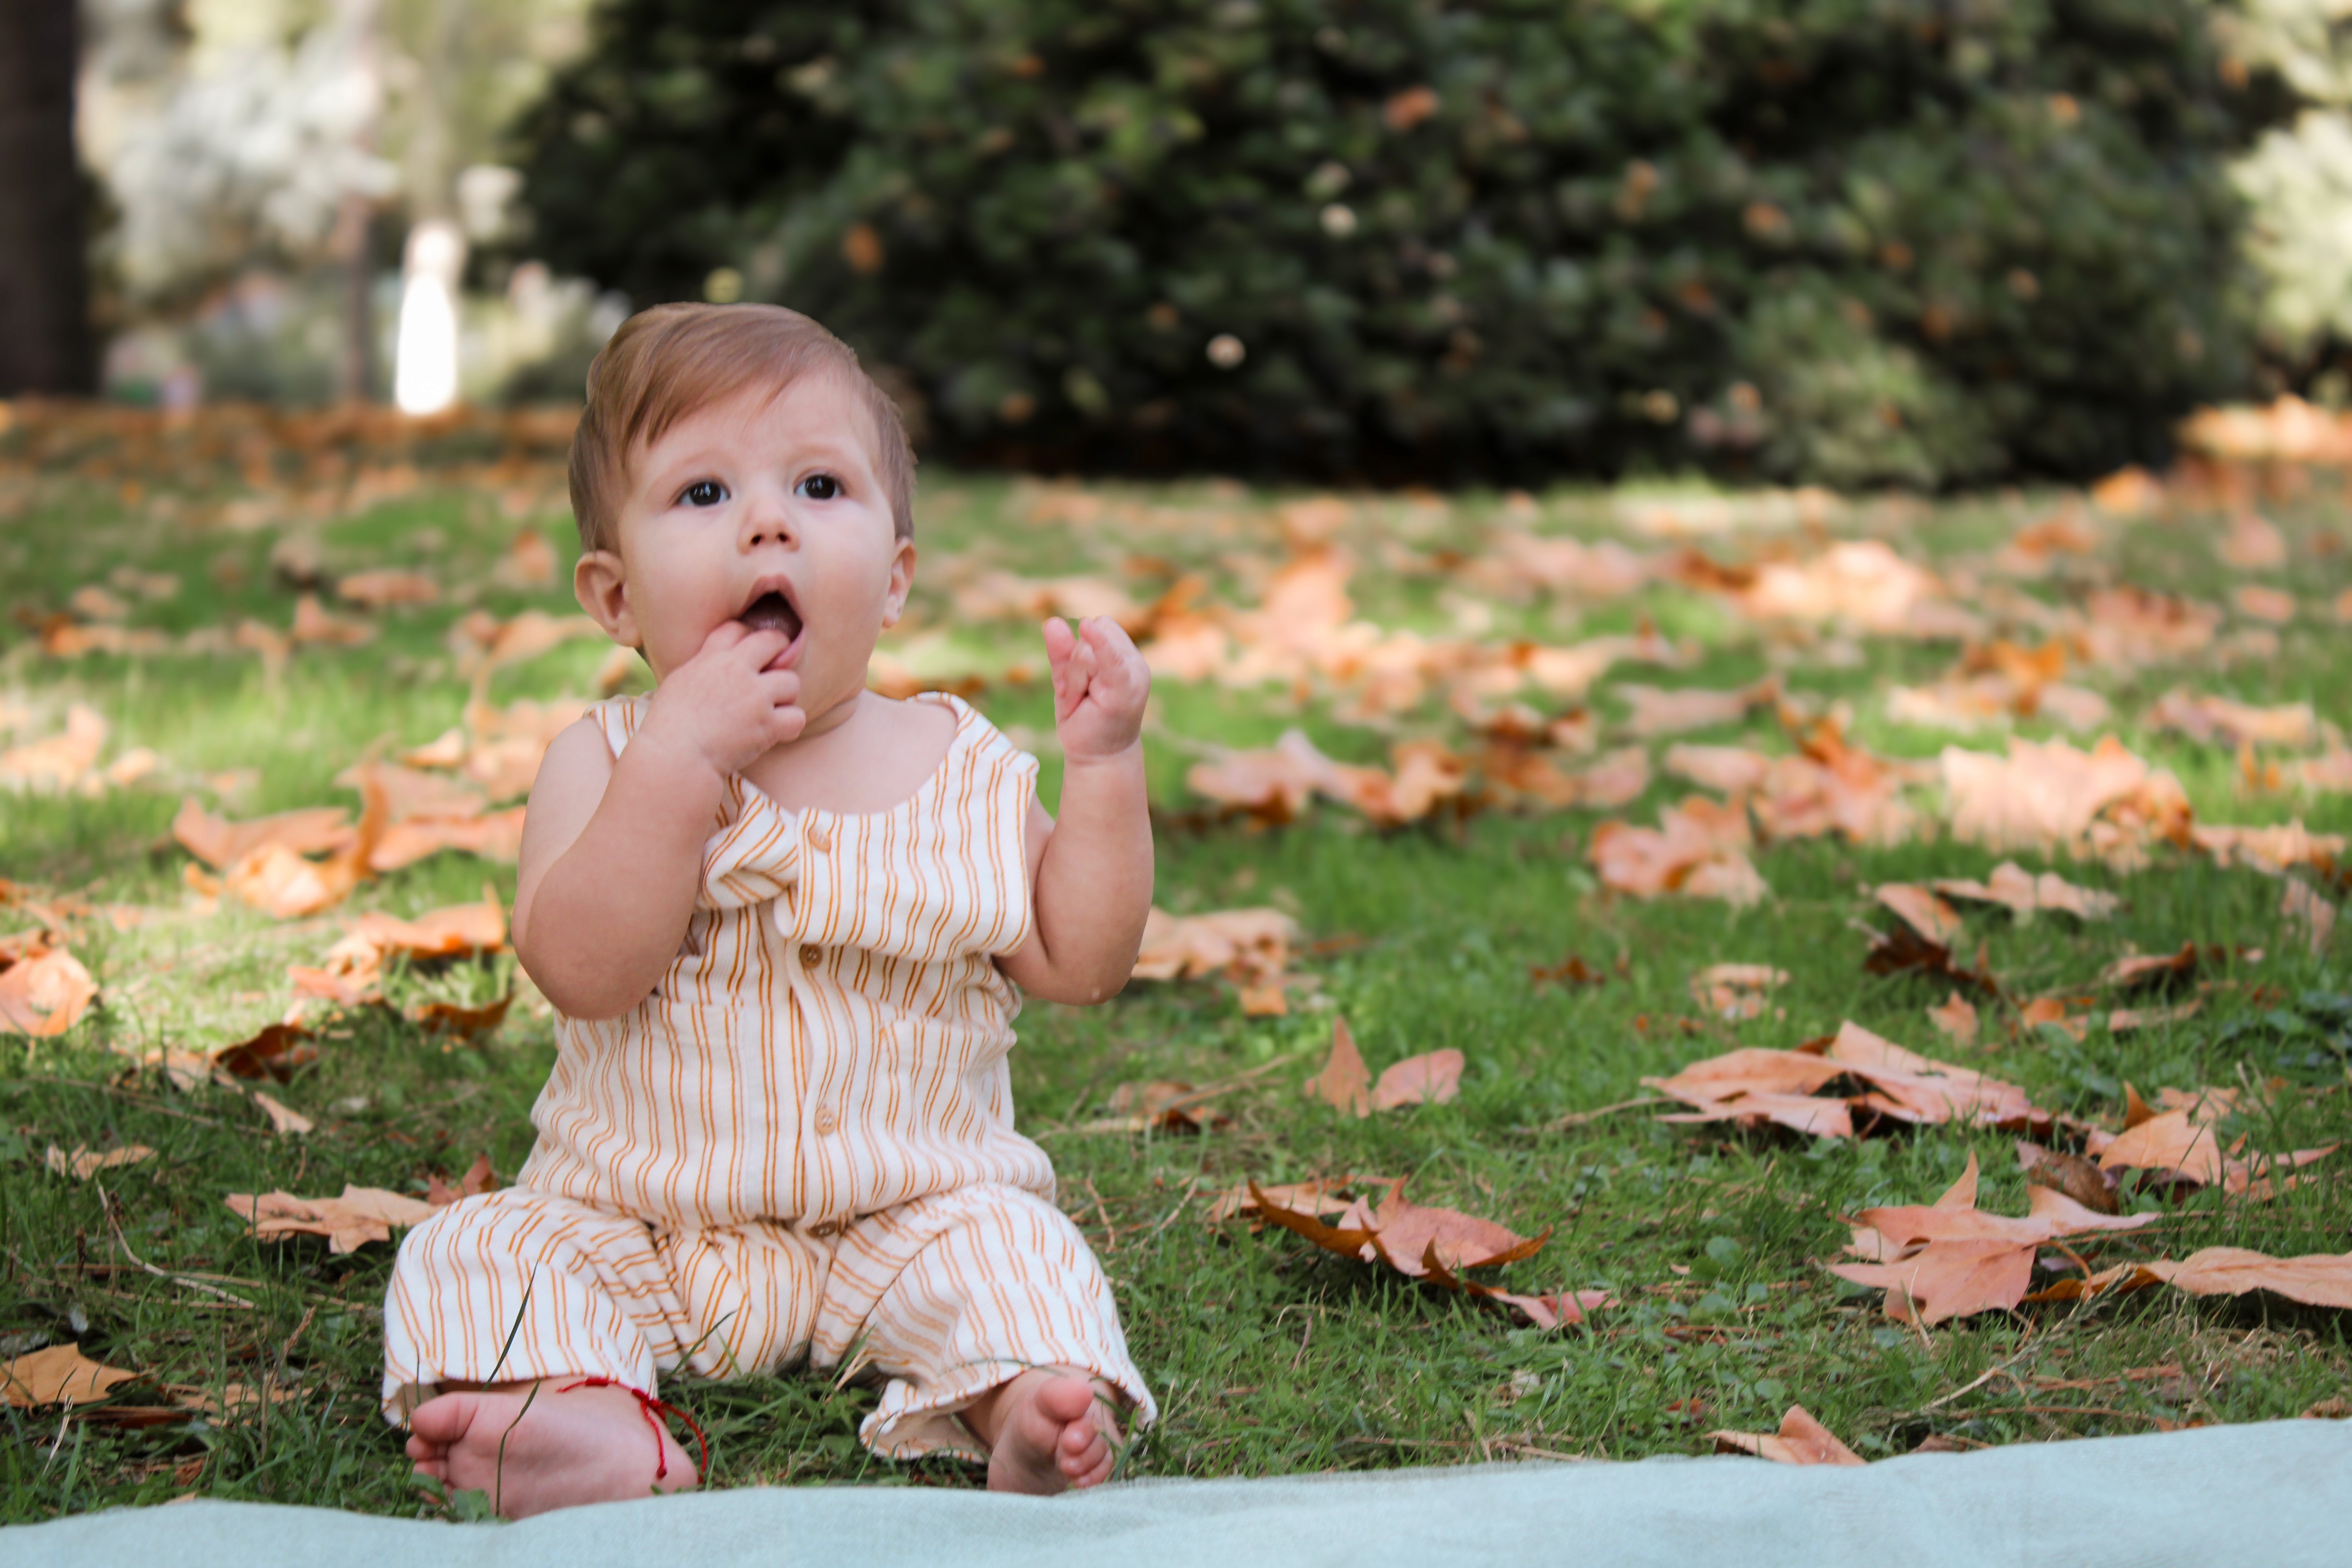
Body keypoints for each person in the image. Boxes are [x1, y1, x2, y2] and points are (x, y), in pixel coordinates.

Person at [382, 303, 1157, 1517]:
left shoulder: (960, 768)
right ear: (616, 598)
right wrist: (682, 762)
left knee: (1024, 1251)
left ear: (893, 580)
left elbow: (1082, 959)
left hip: (909, 1220)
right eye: (703, 494)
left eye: (819, 486)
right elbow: (584, 969)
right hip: (639, 1228)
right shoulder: (603, 760)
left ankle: (1021, 1403)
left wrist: (1104, 771)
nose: (768, 522)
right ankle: (582, 1420)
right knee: (475, 1249)